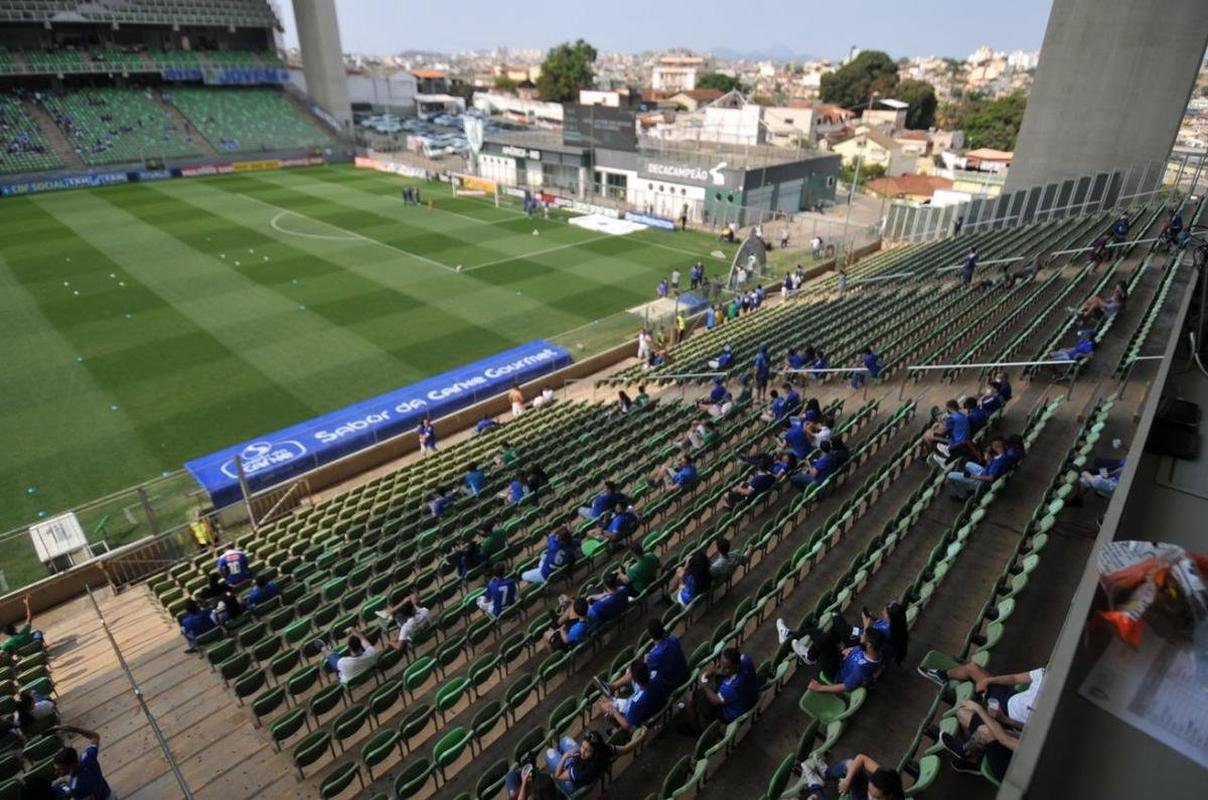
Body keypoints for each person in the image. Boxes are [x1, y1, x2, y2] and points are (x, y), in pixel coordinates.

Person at [919, 660, 1044, 778]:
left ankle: (969, 756)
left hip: (1011, 742)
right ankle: (942, 675)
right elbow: (1015, 678)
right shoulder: (1045, 672)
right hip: (1009, 704)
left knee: (964, 714)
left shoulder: (1047, 724)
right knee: (972, 668)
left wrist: (980, 710)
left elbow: (1005, 739)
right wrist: (989, 681)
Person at [684, 647, 758, 732]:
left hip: (731, 714)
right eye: (721, 664)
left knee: (689, 698)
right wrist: (717, 671)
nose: (722, 669)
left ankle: (696, 729)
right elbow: (722, 671)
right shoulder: (746, 659)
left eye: (726, 668)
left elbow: (715, 701)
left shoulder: (731, 687)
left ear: (736, 666)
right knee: (717, 678)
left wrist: (705, 685)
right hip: (748, 698)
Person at [796, 752, 905, 800]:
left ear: (889, 796)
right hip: (860, 795)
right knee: (850, 765)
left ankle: (815, 787)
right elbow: (861, 758)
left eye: (877, 797)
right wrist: (847, 781)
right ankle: (827, 773)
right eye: (869, 792)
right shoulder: (886, 778)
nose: (870, 798)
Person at [597, 658, 667, 732]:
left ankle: (618, 729)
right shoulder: (656, 675)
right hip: (655, 698)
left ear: (635, 680)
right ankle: (611, 687)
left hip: (643, 712)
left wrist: (615, 712)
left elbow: (627, 725)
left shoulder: (636, 702)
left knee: (603, 705)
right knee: (631, 672)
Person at [51, 725, 114, 800]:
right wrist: (73, 729)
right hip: (108, 794)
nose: (56, 773)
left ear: (72, 765)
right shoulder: (88, 757)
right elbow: (94, 736)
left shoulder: (75, 787)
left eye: (61, 769)